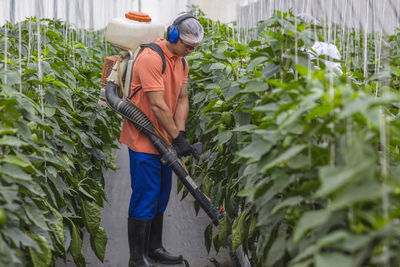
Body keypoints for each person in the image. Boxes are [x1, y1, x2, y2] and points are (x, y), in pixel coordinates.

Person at [119, 14, 204, 267]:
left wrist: (181, 133)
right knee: (145, 196)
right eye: (187, 46)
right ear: (173, 36)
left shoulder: (181, 62)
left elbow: (181, 98)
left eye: (194, 48)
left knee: (161, 195)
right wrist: (176, 138)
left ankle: (154, 248)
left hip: (165, 139)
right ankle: (136, 257)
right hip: (144, 140)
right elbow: (156, 104)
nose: (190, 51)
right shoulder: (151, 58)